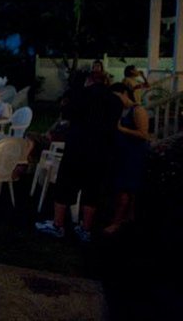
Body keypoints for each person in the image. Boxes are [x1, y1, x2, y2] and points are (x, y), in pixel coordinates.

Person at [35, 72, 122, 242]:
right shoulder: (115, 101)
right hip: (101, 152)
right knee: (92, 191)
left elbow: (66, 113)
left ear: (89, 81)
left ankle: (58, 225)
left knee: (65, 186)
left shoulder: (80, 95)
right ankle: (85, 228)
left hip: (78, 148)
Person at [105, 83, 150, 235]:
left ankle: (117, 222)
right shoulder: (120, 110)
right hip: (121, 153)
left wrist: (121, 129)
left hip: (134, 154)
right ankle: (128, 219)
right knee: (124, 188)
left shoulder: (137, 110)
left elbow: (143, 134)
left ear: (124, 93)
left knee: (125, 187)